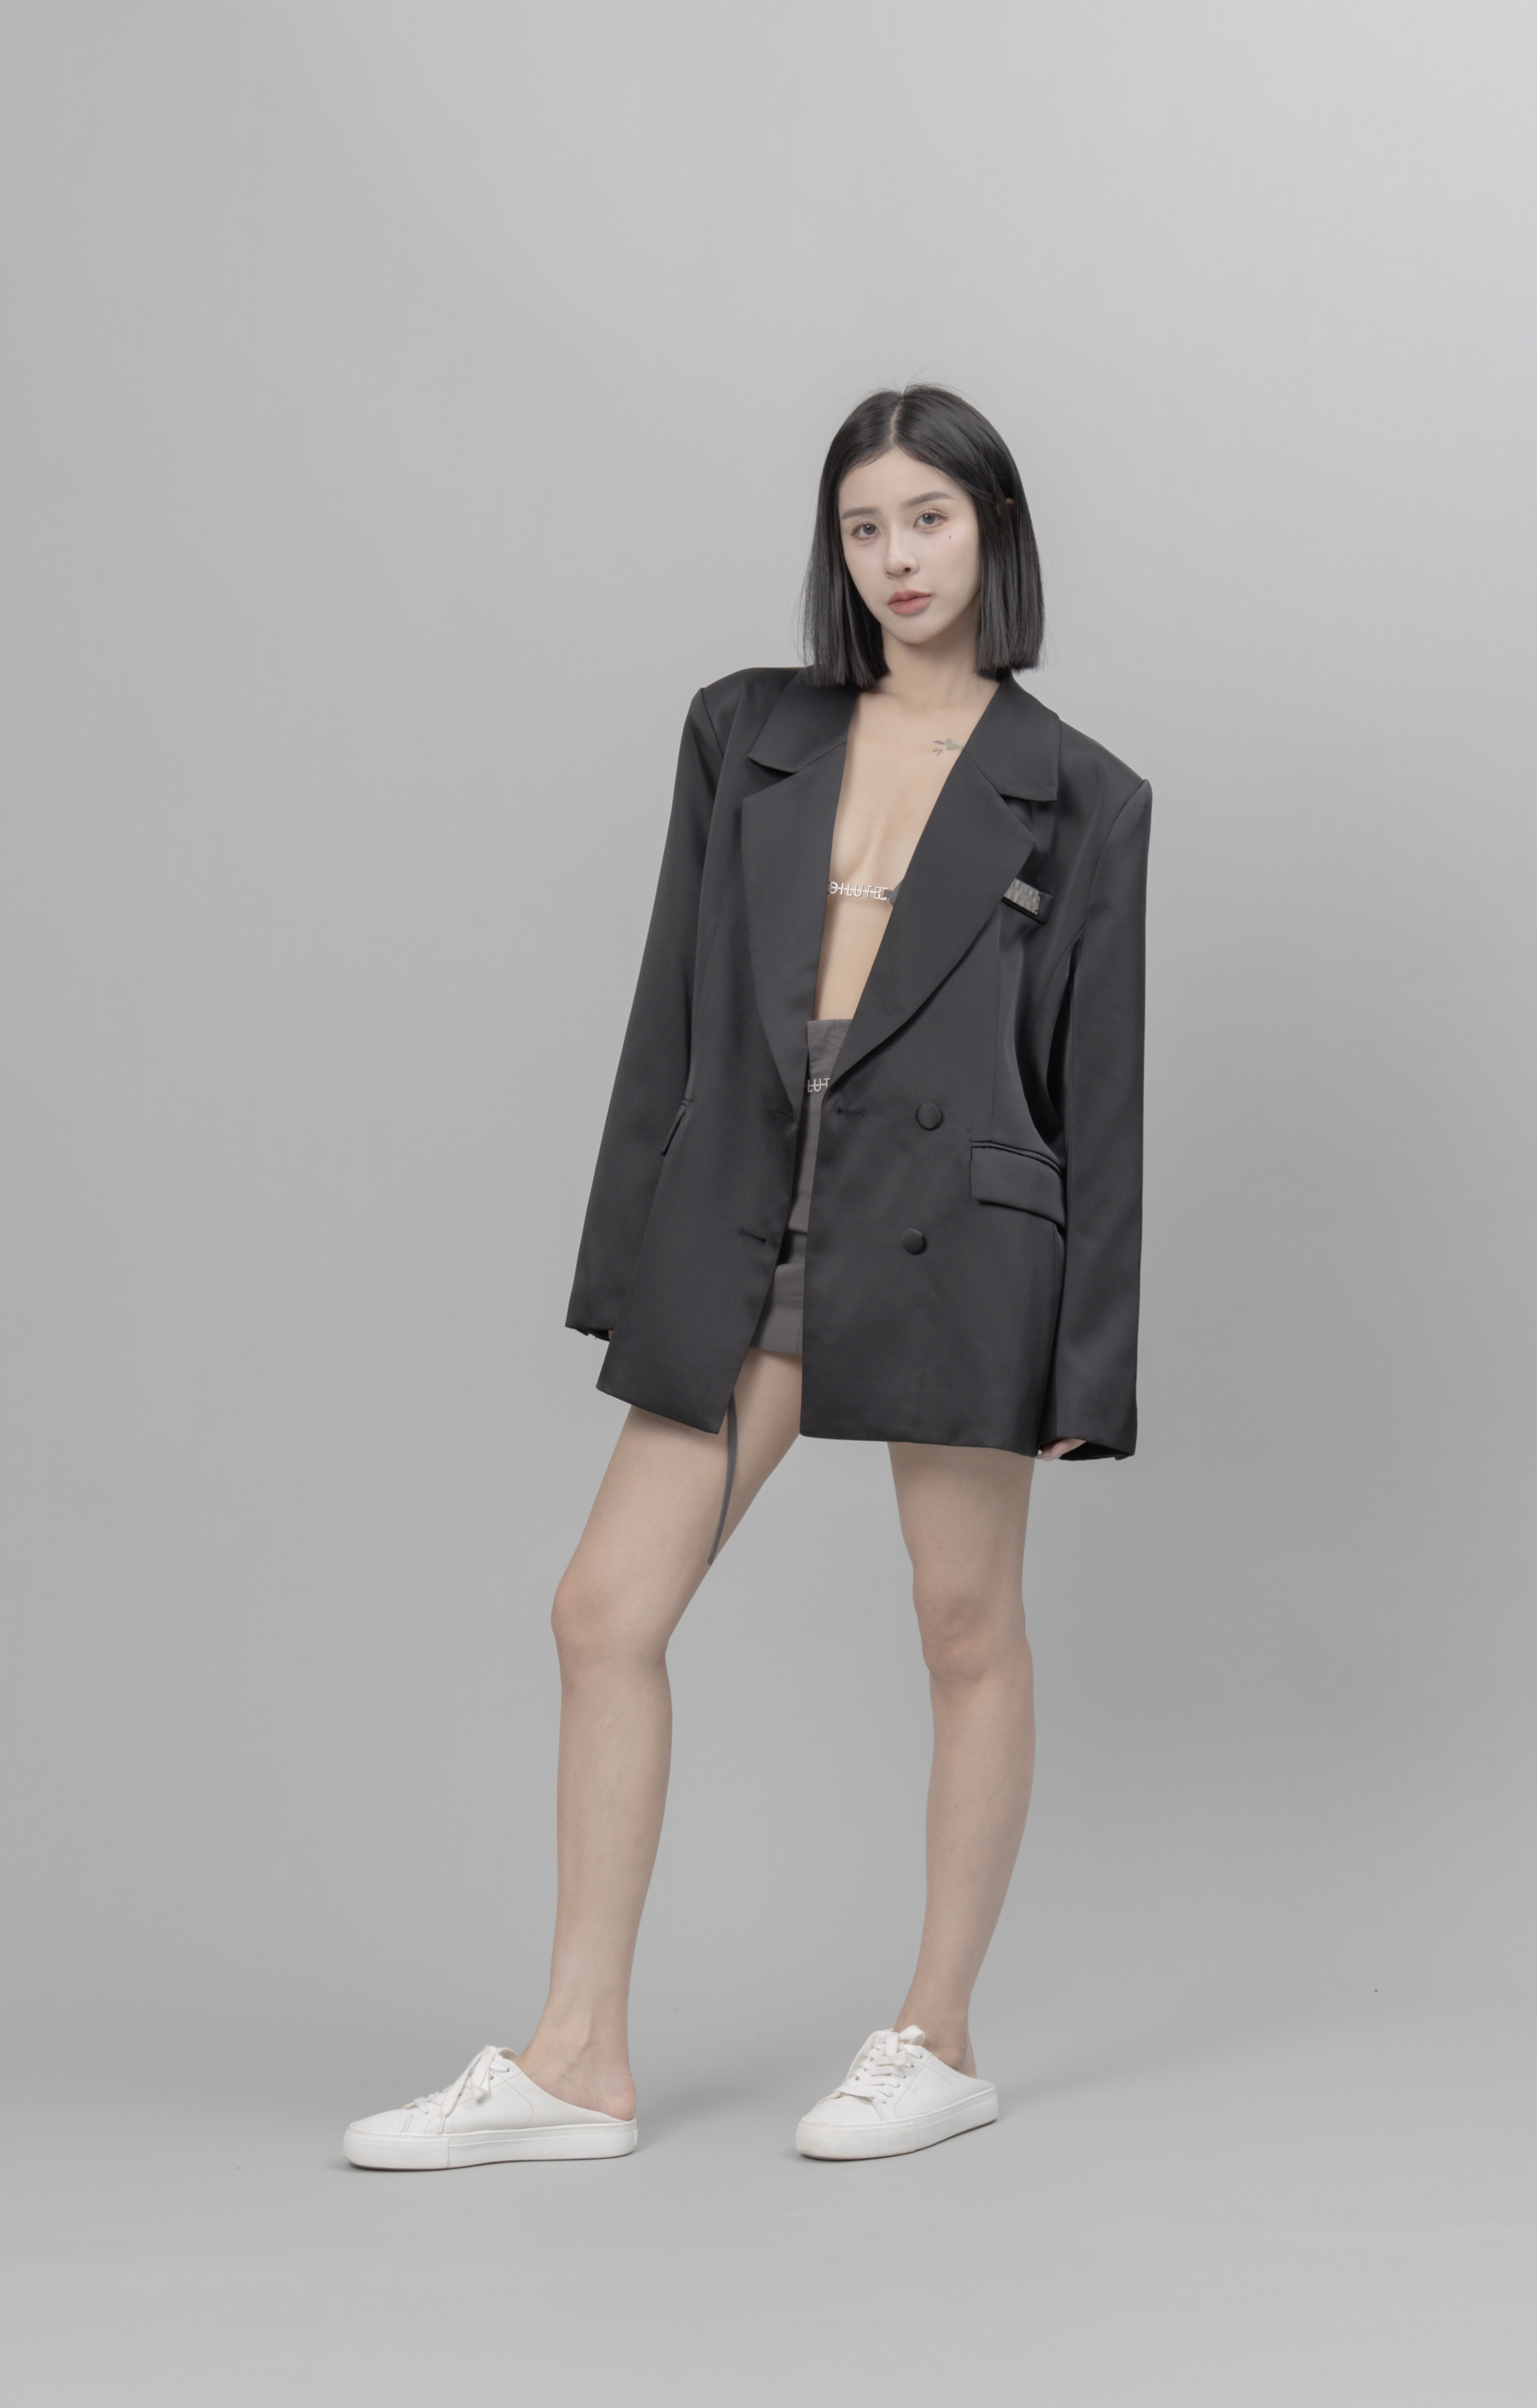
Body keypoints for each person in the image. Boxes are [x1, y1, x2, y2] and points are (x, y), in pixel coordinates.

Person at [343, 385, 1150, 2171]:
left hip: (958, 1231)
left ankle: (937, 2036)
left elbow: (1096, 1087)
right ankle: (576, 2058)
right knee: (602, 1611)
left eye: (928, 519)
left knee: (964, 1627)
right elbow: (674, 1009)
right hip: (751, 1216)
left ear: (992, 530)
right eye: (864, 527)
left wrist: (1090, 1371)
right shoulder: (745, 729)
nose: (896, 558)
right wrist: (626, 1259)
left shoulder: (1083, 792)